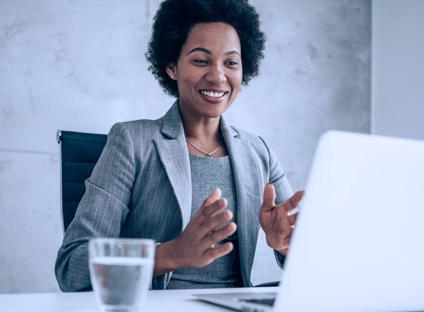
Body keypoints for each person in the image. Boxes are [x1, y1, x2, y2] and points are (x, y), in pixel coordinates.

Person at [55, 0, 304, 291]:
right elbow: (71, 266)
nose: (218, 76)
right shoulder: (131, 142)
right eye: (201, 60)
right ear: (172, 66)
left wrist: (287, 246)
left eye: (231, 62)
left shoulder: (258, 152)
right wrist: (172, 254)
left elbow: (312, 261)